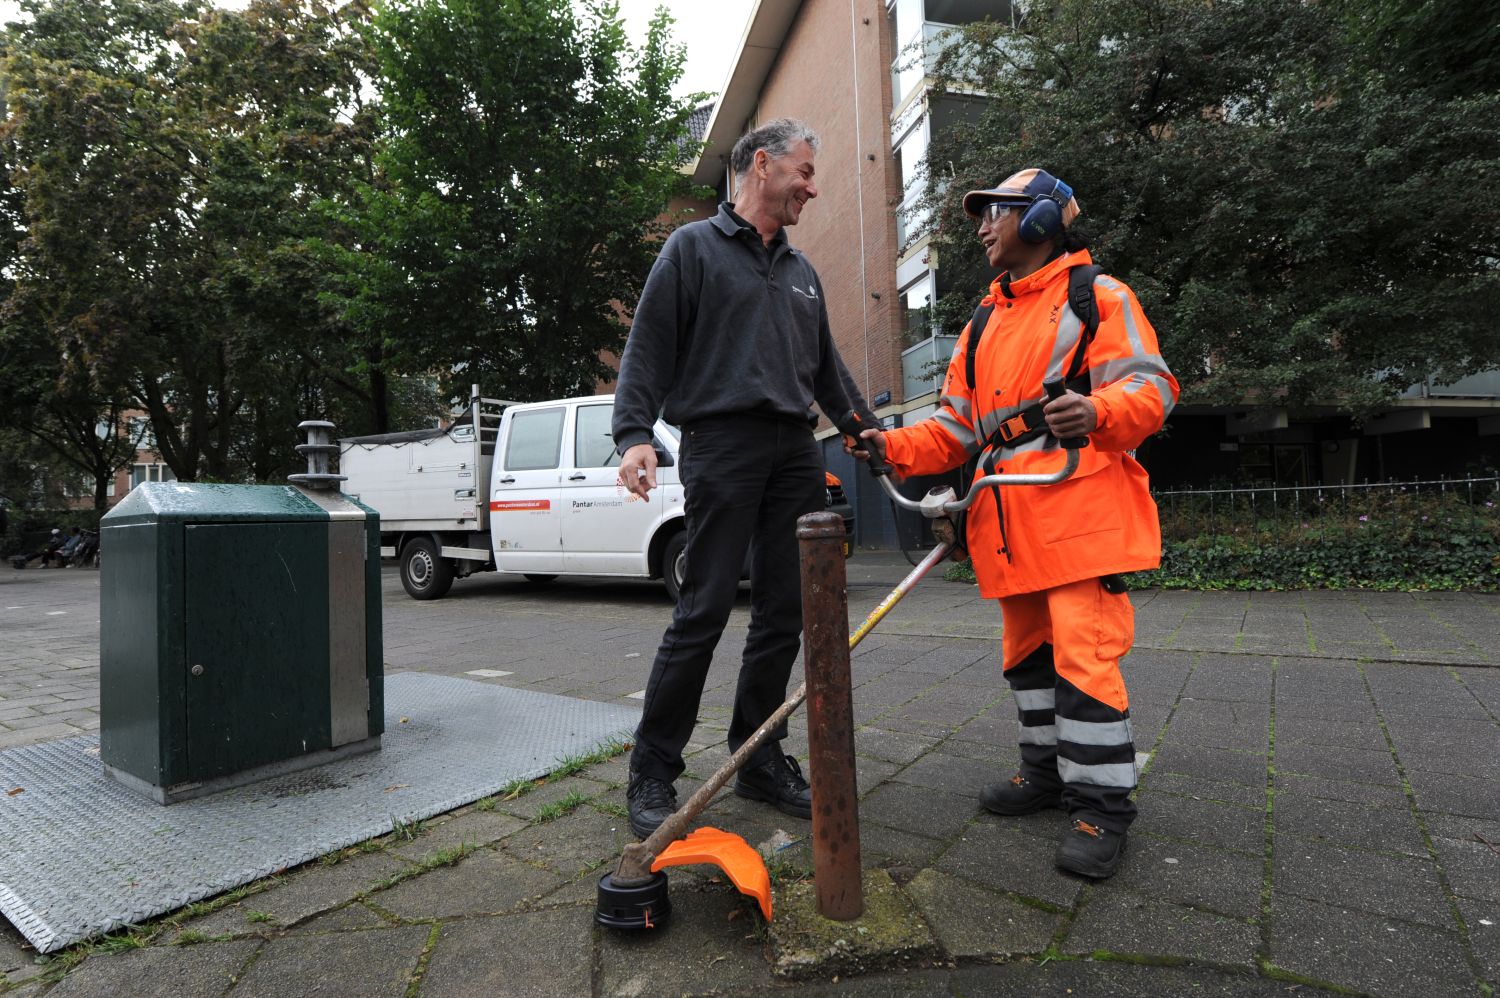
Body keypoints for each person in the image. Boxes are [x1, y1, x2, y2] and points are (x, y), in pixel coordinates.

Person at [853, 169, 1178, 878]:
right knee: (1027, 663)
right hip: (1010, 523)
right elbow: (955, 430)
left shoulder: (1100, 297)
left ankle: (1102, 810)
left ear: (1040, 220)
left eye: (993, 213)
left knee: (1084, 663)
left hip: (1079, 513)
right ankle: (1046, 774)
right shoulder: (984, 321)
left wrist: (1098, 411)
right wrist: (891, 445)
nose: (980, 227)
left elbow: (1151, 387)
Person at [612, 118, 878, 839]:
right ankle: (652, 771)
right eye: (804, 172)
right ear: (761, 165)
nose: (813, 188)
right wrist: (634, 433)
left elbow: (828, 372)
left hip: (796, 449)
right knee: (703, 609)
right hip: (720, 444)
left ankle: (758, 757)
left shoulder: (801, 272)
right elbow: (649, 347)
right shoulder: (692, 249)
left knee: (786, 611)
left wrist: (863, 430)